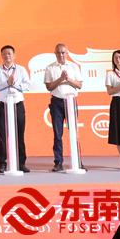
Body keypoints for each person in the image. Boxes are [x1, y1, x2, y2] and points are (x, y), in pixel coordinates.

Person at [0, 45, 31, 173]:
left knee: (20, 134)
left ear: (14, 55)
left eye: (9, 54)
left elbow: (27, 86)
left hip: (17, 104)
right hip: (2, 104)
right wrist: (7, 83)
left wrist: (14, 83)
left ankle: (21, 163)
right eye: (5, 54)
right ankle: (2, 163)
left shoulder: (21, 69)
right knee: (1, 135)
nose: (7, 56)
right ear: (1, 56)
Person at [44, 43, 84, 172]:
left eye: (63, 52)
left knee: (74, 133)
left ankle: (78, 162)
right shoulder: (50, 68)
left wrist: (68, 79)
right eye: (58, 52)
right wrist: (61, 79)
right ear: (55, 53)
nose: (61, 55)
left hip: (71, 102)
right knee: (58, 134)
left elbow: (79, 85)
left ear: (67, 53)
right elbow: (49, 87)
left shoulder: (74, 66)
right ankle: (58, 162)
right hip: (57, 102)